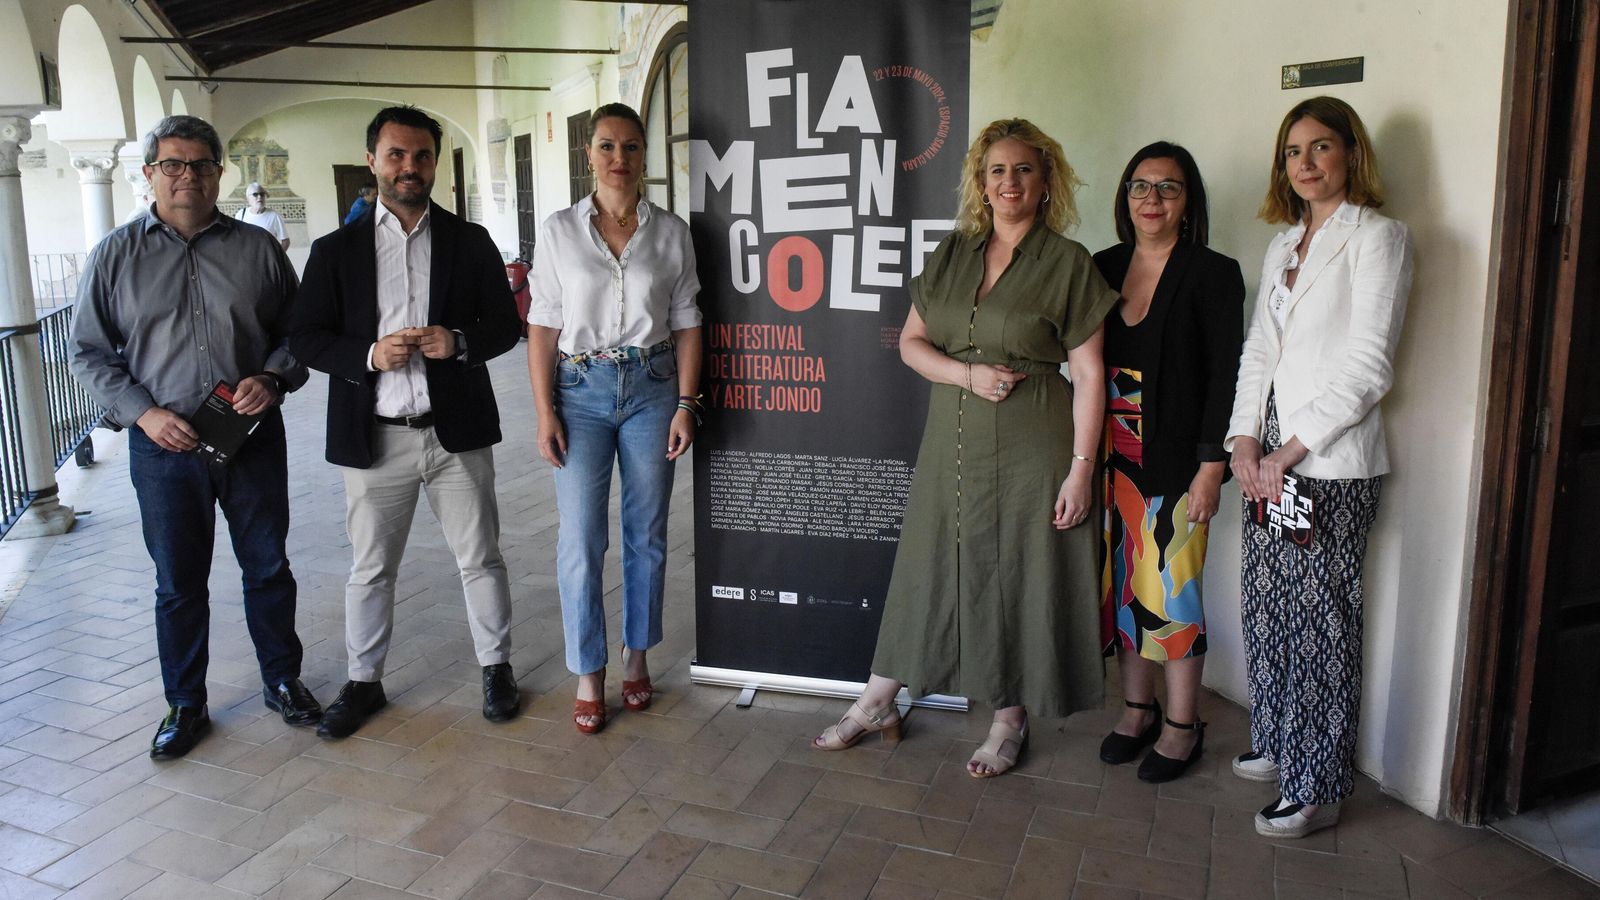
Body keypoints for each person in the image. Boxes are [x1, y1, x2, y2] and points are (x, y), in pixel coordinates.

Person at [813, 118, 1117, 777]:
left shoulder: (1068, 263)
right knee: (930, 566)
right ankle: (882, 694)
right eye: (997, 171)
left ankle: (1009, 716)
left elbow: (1090, 373)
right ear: (981, 184)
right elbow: (913, 344)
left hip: (1037, 440)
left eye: (1024, 170)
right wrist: (968, 375)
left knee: (1016, 572)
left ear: (1046, 183)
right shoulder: (952, 253)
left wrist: (1081, 469)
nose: (1010, 182)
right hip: (951, 438)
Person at [69, 114, 319, 760]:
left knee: (268, 566)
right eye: (173, 164)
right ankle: (186, 703)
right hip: (165, 447)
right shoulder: (114, 257)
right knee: (178, 581)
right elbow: (90, 354)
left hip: (250, 435)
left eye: (201, 164)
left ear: (219, 173)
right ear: (149, 173)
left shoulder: (257, 250)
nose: (188, 176)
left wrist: (274, 376)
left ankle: (282, 679)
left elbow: (300, 333)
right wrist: (143, 415)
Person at [289, 105, 525, 739]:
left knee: (482, 558)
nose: (409, 167)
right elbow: (304, 337)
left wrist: (460, 341)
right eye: (396, 155)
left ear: (435, 164)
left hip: (456, 435)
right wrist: (368, 355)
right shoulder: (335, 252)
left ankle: (496, 669)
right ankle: (364, 682)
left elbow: (507, 325)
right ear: (373, 161)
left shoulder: (470, 242)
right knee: (370, 568)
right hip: (377, 438)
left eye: (421, 156)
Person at [1225, 96, 1414, 838]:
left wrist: (1287, 450)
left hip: (1324, 460)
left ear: (1351, 154)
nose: (1304, 163)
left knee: (1320, 623)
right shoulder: (1284, 244)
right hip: (1264, 455)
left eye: (1321, 147)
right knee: (1267, 606)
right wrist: (1243, 441)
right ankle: (1280, 741)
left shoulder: (1379, 238)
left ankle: (1319, 786)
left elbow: (1370, 366)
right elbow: (1260, 352)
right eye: (1292, 151)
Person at [526, 103, 702, 735]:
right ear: (589, 154)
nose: (619, 158)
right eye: (606, 146)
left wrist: (686, 402)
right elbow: (543, 324)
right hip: (579, 390)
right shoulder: (558, 230)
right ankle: (587, 670)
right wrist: (545, 410)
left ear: (644, 156)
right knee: (579, 541)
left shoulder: (671, 231)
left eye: (630, 146)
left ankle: (637, 656)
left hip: (654, 388)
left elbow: (686, 320)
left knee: (647, 533)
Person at [1092, 142, 1244, 783]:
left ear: (1190, 202)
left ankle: (1184, 725)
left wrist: (1213, 467)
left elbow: (1226, 380)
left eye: (1169, 188)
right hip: (1104, 458)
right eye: (1139, 186)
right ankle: (1137, 710)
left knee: (1173, 594)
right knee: (1123, 590)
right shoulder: (1100, 266)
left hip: (1178, 461)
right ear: (1125, 198)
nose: (1151, 199)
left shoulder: (1213, 271)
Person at [236, 181, 290, 250]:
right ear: (248, 198)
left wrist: (277, 258)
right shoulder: (241, 214)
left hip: (267, 259)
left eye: (262, 194)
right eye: (255, 194)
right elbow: (236, 238)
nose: (259, 197)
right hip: (247, 258)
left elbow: (286, 241)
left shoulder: (274, 216)